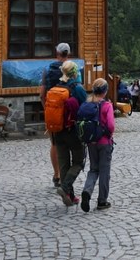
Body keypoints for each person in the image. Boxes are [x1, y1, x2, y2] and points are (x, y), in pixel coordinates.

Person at [54, 60, 87, 206]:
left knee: (64, 164)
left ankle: (69, 197)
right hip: (73, 130)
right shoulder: (77, 88)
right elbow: (85, 108)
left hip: (57, 130)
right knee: (79, 162)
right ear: (74, 72)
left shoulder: (56, 86)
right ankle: (65, 187)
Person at [80, 78, 115, 212]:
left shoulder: (88, 104)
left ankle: (87, 191)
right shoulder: (107, 105)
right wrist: (110, 134)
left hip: (91, 142)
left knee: (93, 169)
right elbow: (111, 125)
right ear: (105, 91)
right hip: (104, 142)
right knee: (104, 171)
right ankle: (102, 200)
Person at [40, 42, 69, 188]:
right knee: (68, 143)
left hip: (52, 111)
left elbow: (41, 94)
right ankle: (65, 176)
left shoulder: (47, 69)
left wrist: (47, 109)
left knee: (54, 144)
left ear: (57, 53)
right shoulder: (71, 69)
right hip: (67, 112)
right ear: (68, 53)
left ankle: (56, 175)